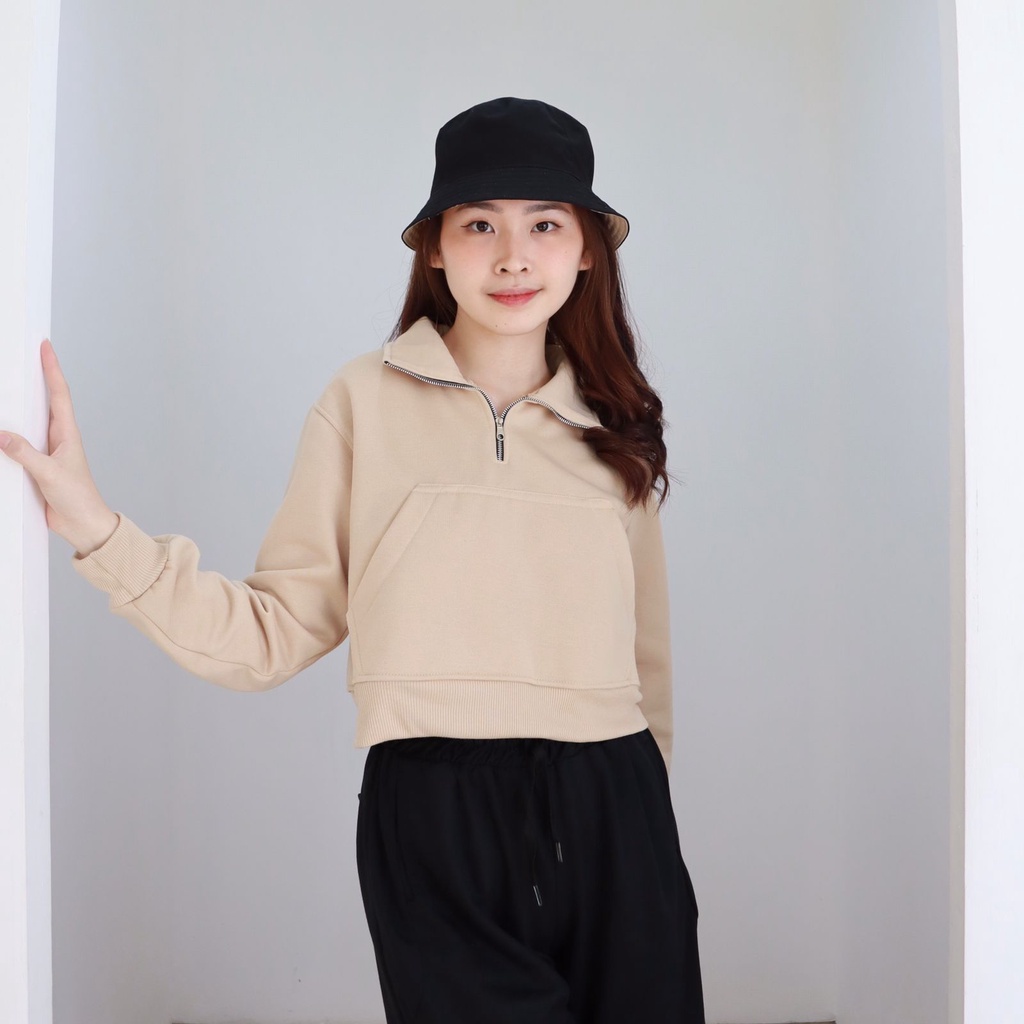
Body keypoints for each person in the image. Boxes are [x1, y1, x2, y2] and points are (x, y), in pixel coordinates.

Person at [0, 95, 705, 1023]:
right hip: (435, 812)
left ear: (586, 251)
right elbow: (273, 632)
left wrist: (646, 822)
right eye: (479, 223)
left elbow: (647, 662)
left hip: (616, 803)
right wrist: (99, 531)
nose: (512, 255)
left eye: (545, 223)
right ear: (434, 247)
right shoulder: (361, 402)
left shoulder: (615, 425)